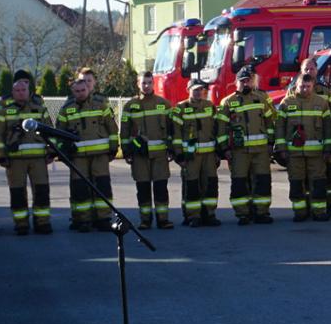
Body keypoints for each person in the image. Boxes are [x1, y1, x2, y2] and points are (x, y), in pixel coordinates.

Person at [0, 71, 52, 235]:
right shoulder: (5, 112)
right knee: (17, 193)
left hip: (39, 159)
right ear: (12, 93)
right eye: (17, 90)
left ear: (29, 91)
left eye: (23, 90)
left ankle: (42, 223)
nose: (20, 93)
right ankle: (21, 224)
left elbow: (49, 132)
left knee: (41, 191)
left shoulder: (40, 110)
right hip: (14, 160)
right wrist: (0, 155)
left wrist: (51, 152)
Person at [58, 75, 119, 233]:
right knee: (80, 188)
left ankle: (104, 218)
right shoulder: (66, 109)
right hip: (78, 156)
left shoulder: (100, 105)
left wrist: (113, 148)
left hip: (100, 154)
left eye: (83, 90)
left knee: (103, 186)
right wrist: (63, 150)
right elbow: (59, 133)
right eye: (77, 91)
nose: (80, 93)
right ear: (73, 92)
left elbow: (112, 128)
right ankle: (84, 220)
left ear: (88, 88)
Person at [274, 73, 331, 222]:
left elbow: (328, 127)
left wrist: (328, 148)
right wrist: (281, 148)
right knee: (296, 182)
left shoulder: (321, 103)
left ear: (313, 86)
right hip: (293, 154)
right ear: (296, 85)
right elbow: (279, 127)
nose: (305, 89)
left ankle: (319, 212)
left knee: (318, 183)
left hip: (317, 154)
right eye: (302, 86)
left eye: (308, 86)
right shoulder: (286, 103)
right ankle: (300, 212)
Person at [121, 71, 177, 230]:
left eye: (149, 82)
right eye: (143, 83)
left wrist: (172, 148)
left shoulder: (164, 104)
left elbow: (172, 129)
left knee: (160, 188)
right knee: (143, 189)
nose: (146, 86)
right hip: (139, 156)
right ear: (138, 84)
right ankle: (145, 220)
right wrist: (126, 151)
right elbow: (124, 131)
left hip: (159, 155)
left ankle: (163, 220)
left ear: (153, 83)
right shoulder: (130, 106)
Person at [222, 67, 276, 225]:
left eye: (248, 80)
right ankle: (243, 214)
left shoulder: (261, 99)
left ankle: (262, 212)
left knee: (263, 182)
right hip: (239, 152)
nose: (245, 84)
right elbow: (222, 128)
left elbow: (270, 122)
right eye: (242, 81)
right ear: (236, 82)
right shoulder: (227, 102)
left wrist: (271, 142)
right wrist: (225, 149)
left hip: (261, 150)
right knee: (239, 183)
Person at [173, 79, 226, 227]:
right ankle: (193, 216)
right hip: (191, 157)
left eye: (200, 89)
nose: (198, 92)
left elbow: (217, 130)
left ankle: (209, 214)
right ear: (188, 89)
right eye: (195, 89)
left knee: (210, 184)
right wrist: (179, 155)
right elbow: (175, 134)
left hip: (209, 155)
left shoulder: (210, 107)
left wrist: (218, 152)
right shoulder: (180, 108)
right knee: (192, 186)